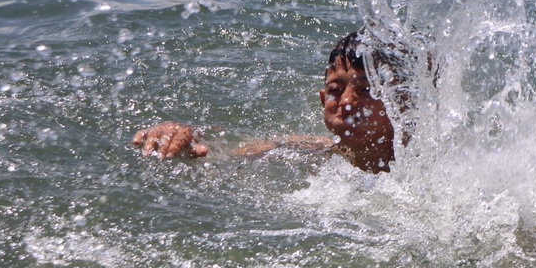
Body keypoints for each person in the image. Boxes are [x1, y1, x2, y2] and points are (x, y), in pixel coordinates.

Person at [132, 31, 398, 173]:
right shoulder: (306, 151)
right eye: (335, 90)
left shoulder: (429, 167)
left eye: (366, 90)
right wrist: (183, 139)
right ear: (321, 99)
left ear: (403, 102)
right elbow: (220, 157)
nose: (347, 102)